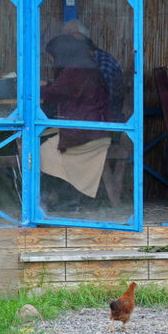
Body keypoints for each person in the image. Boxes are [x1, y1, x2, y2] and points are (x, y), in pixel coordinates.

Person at [39, 34, 112, 210]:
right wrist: (49, 84)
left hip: (86, 132)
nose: (52, 60)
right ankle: (65, 196)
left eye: (53, 56)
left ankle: (63, 198)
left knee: (38, 150)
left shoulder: (74, 70)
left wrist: (33, 87)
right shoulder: (86, 67)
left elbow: (53, 93)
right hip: (96, 128)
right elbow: (66, 89)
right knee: (44, 139)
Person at [62, 19, 125, 122]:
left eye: (70, 35)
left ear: (83, 38)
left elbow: (100, 100)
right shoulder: (74, 63)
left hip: (104, 127)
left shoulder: (104, 63)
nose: (66, 42)